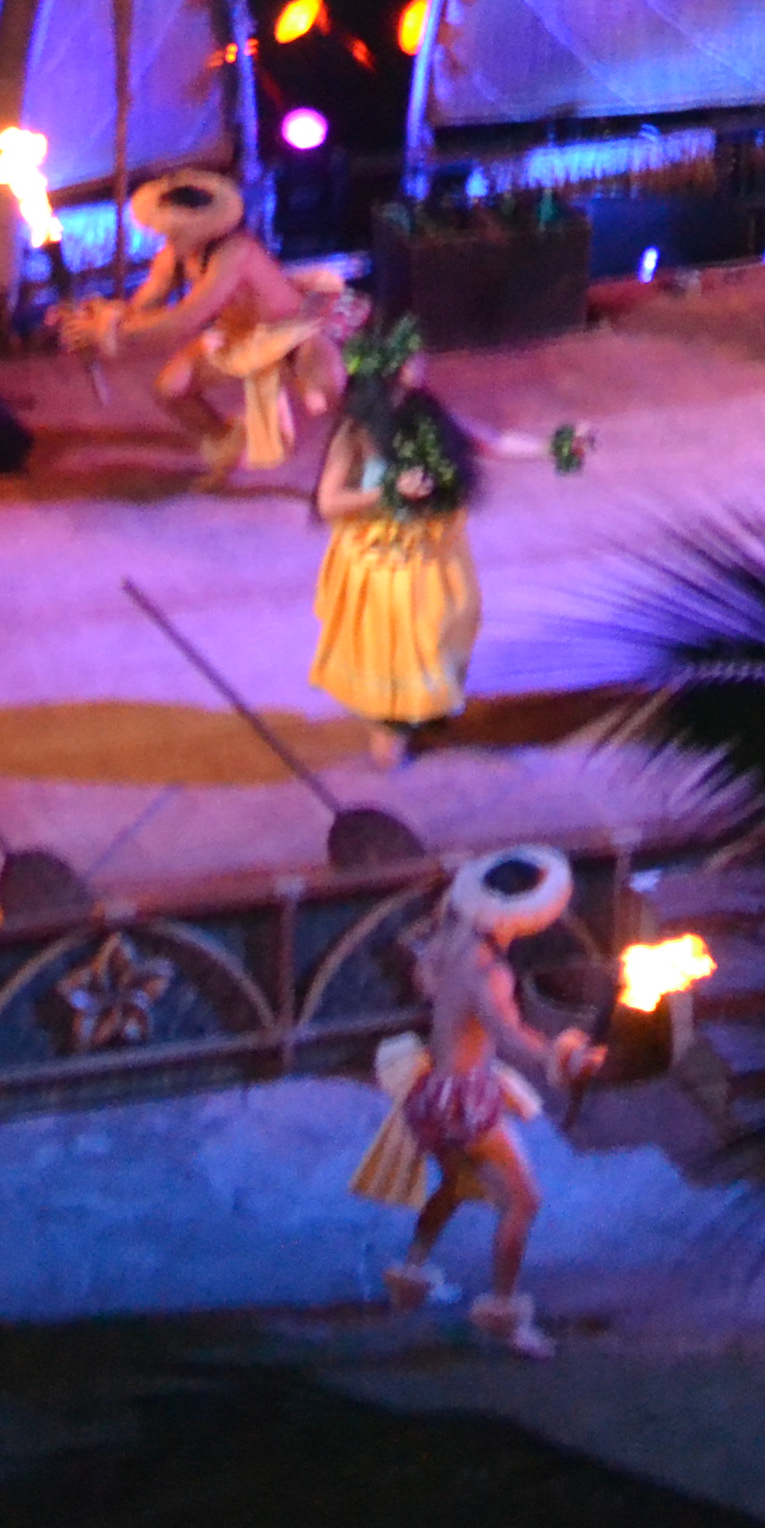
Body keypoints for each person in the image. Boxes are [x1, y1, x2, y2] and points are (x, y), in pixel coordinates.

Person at [341, 843, 600, 1356]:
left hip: (433, 1093)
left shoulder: (454, 937)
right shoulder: (491, 972)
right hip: (464, 1102)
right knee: (523, 1201)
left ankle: (411, 1274)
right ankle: (503, 1313)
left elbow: (432, 986)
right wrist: (563, 1057)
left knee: (456, 1184)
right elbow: (508, 1037)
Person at [309, 319, 576, 764]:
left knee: (445, 627)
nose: (421, 363)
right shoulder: (356, 430)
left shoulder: (427, 411)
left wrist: (555, 447)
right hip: (388, 563)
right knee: (398, 655)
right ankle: (391, 721)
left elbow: (490, 442)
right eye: (411, 357)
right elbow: (328, 503)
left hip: (434, 552)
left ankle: (423, 706)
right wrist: (388, 490)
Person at [59, 164, 345, 487]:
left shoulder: (236, 252)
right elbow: (139, 308)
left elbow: (186, 319)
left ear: (199, 226)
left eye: (175, 230)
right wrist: (96, 316)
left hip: (291, 335)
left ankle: (365, 459)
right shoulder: (173, 255)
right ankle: (229, 445)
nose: (166, 236)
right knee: (172, 389)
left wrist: (111, 332)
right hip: (240, 338)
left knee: (329, 395)